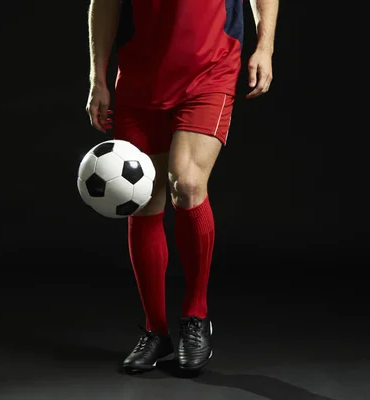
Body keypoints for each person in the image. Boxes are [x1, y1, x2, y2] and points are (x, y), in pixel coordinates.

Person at [85, 0, 278, 372]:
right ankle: (155, 331)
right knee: (142, 198)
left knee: (187, 184)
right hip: (141, 73)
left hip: (211, 67)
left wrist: (265, 47)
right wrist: (98, 77)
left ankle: (196, 316)